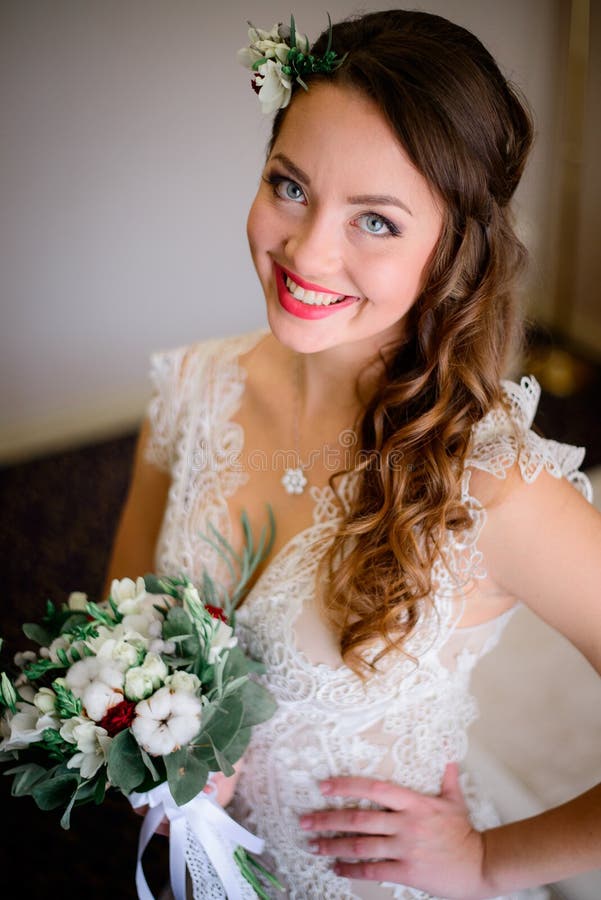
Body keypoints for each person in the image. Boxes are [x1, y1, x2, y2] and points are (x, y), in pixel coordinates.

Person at [103, 9, 601, 900]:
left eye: (375, 220)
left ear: (450, 252)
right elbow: (118, 634)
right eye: (290, 186)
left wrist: (490, 864)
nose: (306, 249)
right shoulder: (186, 391)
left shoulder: (497, 490)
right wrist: (152, 751)